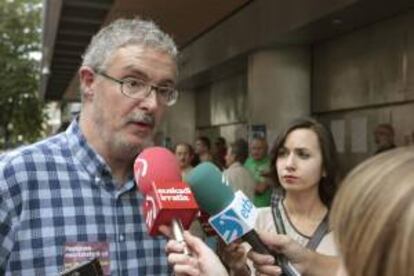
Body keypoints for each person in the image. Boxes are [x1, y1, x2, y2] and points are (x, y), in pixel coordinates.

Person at [0, 17, 179, 275]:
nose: (151, 104)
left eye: (164, 89)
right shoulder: (13, 179)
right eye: (133, 83)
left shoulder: (167, 186)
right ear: (88, 83)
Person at [221, 117, 340, 275]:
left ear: (325, 166)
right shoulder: (255, 221)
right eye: (282, 154)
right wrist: (237, 268)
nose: (289, 164)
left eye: (303, 155)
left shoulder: (346, 229)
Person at [244, 137, 272, 207]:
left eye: (259, 149)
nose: (256, 152)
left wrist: (246, 184)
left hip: (265, 208)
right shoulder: (248, 162)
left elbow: (260, 189)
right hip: (249, 207)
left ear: (266, 149)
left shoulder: (271, 163)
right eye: (253, 148)